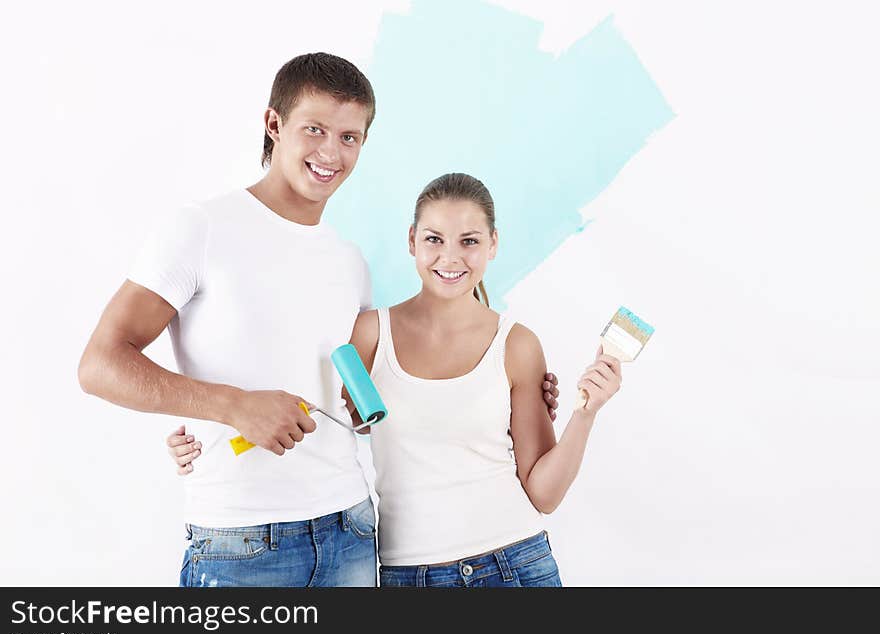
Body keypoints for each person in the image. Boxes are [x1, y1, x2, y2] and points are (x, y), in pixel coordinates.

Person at [79, 53, 560, 588]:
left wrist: (509, 392)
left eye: (350, 137)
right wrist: (229, 408)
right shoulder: (201, 228)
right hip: (241, 542)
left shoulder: (348, 262)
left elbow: (352, 406)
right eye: (315, 130)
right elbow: (100, 364)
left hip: (352, 532)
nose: (331, 152)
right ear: (274, 125)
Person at [173, 173, 622, 587]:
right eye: (434, 239)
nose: (451, 257)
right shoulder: (370, 333)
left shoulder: (518, 345)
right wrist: (204, 436)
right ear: (412, 241)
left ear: (492, 244)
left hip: (515, 564)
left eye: (469, 241)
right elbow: (312, 405)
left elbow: (543, 494)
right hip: (409, 575)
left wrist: (586, 412)